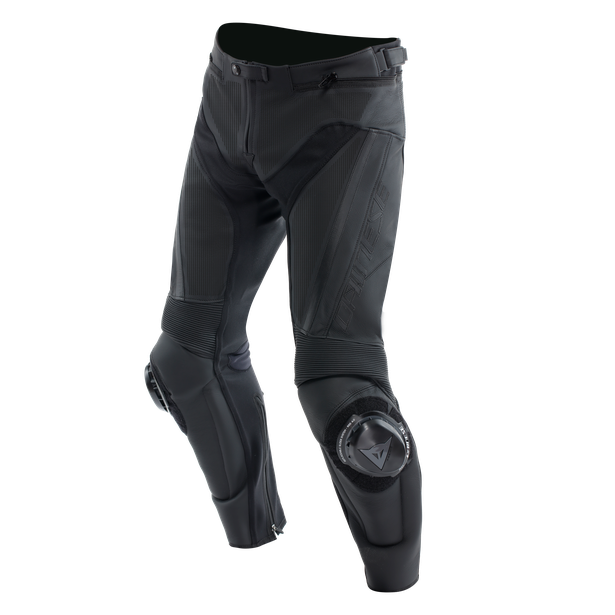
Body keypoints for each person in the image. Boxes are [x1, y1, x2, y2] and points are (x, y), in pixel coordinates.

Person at [143, 22, 422, 592]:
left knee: (342, 390)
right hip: (229, 92)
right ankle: (256, 564)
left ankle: (398, 585)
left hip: (343, 104)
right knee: (190, 357)